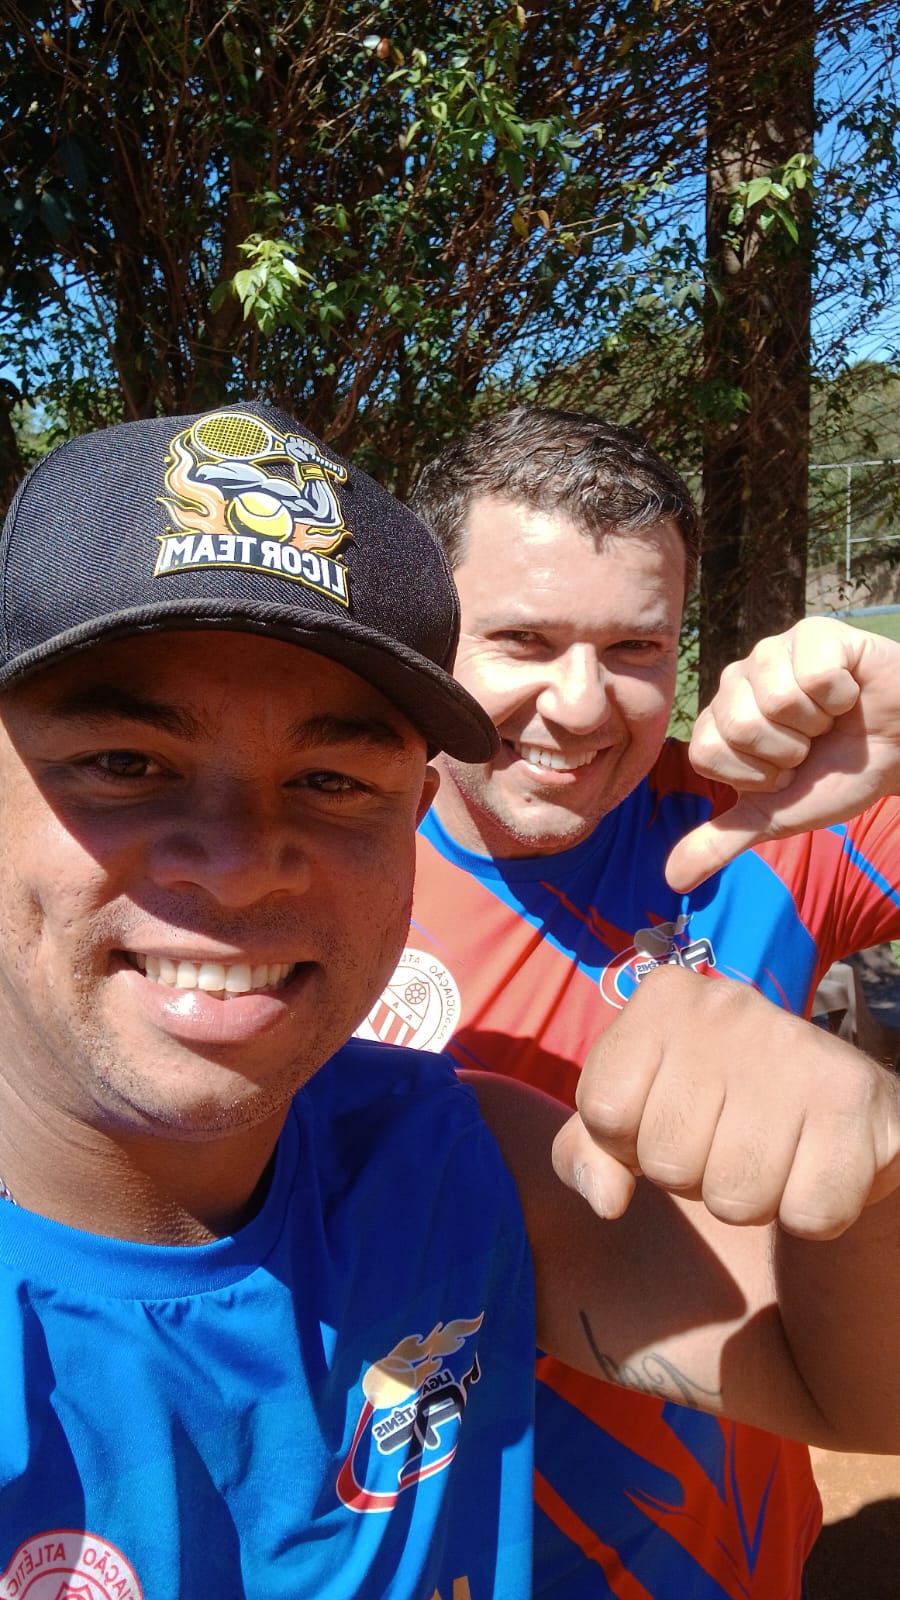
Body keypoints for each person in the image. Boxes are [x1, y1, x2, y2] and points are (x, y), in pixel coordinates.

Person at [1, 402, 899, 1600]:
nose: (241, 863)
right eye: (125, 764)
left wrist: (871, 1170)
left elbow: (857, 1385)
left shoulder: (453, 1146)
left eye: (330, 779)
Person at [358, 405, 900, 1599]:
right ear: (425, 637)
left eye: (635, 648)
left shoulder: (763, 822)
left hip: (746, 1555)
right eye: (524, 639)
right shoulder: (322, 870)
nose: (581, 704)